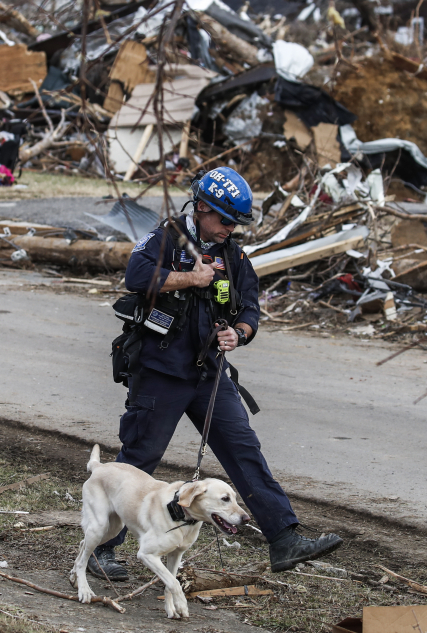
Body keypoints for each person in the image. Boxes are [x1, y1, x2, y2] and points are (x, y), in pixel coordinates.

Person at [90, 167, 343, 581]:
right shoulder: (164, 239)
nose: (230, 229)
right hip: (160, 372)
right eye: (225, 220)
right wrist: (190, 277)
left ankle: (284, 539)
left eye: (236, 223)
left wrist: (238, 334)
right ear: (202, 207)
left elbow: (250, 307)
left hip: (209, 375)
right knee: (138, 461)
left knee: (244, 450)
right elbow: (135, 276)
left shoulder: (233, 255)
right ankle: (103, 549)